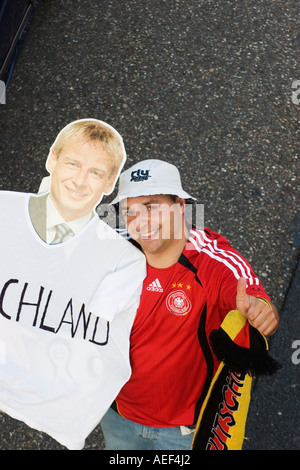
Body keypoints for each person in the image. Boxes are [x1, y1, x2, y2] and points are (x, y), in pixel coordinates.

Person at [100, 158, 279, 450]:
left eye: (151, 207)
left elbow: (254, 299)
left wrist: (262, 311)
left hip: (183, 432)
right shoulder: (111, 247)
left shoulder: (214, 262)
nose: (140, 223)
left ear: (181, 206)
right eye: (130, 212)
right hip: (116, 415)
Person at [0, 119, 146, 450]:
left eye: (96, 173)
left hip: (50, 416)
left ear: (110, 183)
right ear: (52, 159)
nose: (80, 181)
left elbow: (81, 341)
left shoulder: (124, 259)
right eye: (72, 164)